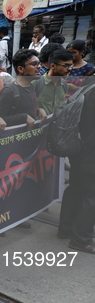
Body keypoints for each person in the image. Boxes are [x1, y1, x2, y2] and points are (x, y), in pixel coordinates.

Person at [58, 77, 95, 254]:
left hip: (78, 147)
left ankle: (65, 229)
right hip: (90, 150)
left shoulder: (89, 84)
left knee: (76, 187)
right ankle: (81, 239)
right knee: (91, 195)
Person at [0, 49, 48, 132]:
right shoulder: (9, 91)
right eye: (34, 64)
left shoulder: (31, 87)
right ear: (21, 69)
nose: (39, 67)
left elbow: (25, 109)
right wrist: (23, 117)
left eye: (39, 63)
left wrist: (38, 110)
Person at [32, 49, 72, 115]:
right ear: (53, 66)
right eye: (66, 65)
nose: (69, 69)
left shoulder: (64, 85)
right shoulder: (36, 83)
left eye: (71, 65)